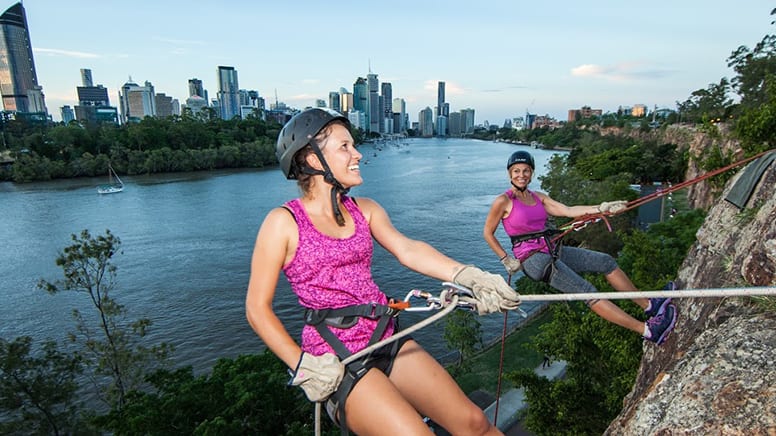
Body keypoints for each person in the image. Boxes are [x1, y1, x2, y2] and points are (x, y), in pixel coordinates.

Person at [245, 108, 520, 435]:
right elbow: (256, 309)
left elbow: (408, 249)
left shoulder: (365, 210)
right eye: (344, 147)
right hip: (336, 357)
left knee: (474, 423)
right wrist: (302, 365)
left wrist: (468, 275)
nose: (357, 154)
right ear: (314, 160)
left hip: (384, 336)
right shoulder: (283, 223)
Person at [483, 150, 677, 345]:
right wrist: (505, 259)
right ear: (510, 174)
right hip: (534, 261)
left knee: (606, 262)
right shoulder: (504, 201)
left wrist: (601, 208)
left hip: (552, 251)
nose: (521, 175)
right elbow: (488, 233)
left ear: (531, 173)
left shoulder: (538, 197)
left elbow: (568, 211)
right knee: (588, 291)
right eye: (516, 171)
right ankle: (649, 331)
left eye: (526, 170)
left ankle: (650, 306)